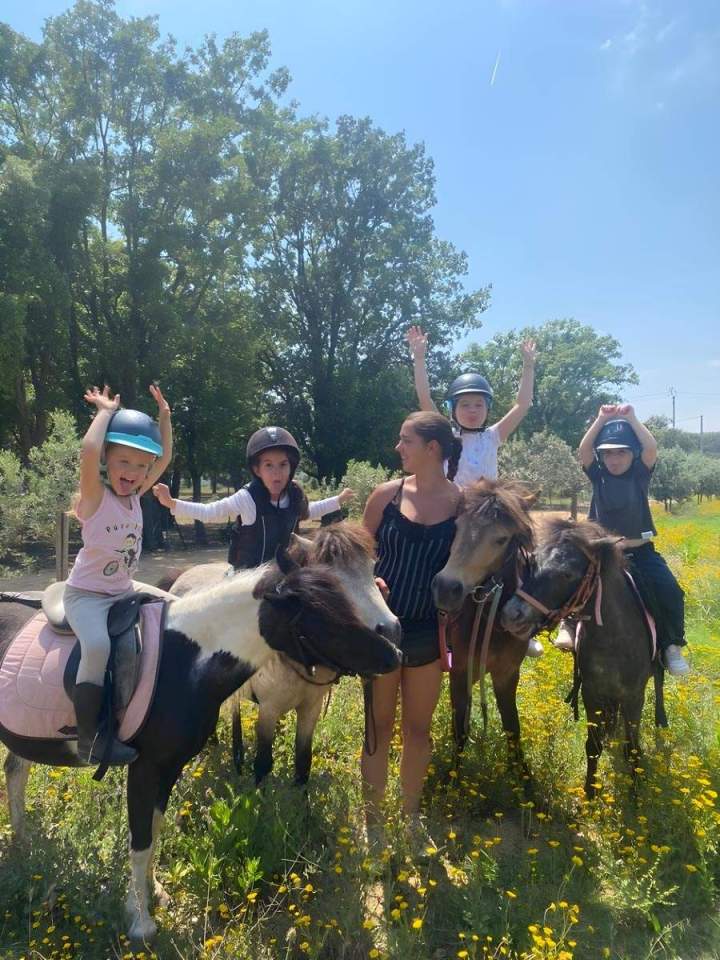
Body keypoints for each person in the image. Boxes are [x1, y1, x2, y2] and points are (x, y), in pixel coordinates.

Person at [407, 326, 543, 657]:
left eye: (479, 404)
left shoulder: (493, 436)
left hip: (489, 513)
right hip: (453, 510)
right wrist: (419, 357)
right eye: (465, 404)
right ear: (453, 408)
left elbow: (523, 405)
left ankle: (525, 626)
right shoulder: (447, 437)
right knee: (436, 561)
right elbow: (424, 400)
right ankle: (437, 627)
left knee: (519, 559)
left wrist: (528, 366)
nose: (473, 410)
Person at [361, 412, 461, 835]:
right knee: (377, 727)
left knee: (418, 731)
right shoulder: (385, 496)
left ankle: (411, 817)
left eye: (406, 441)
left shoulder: (463, 505)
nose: (398, 448)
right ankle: (374, 822)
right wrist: (370, 578)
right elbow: (359, 554)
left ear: (432, 448)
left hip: (427, 632)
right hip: (381, 630)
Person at [64, 384, 173, 766]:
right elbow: (89, 451)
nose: (133, 472)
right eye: (124, 462)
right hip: (87, 595)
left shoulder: (134, 496)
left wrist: (164, 418)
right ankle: (90, 741)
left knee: (173, 610)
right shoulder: (96, 498)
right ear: (109, 460)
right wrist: (105, 412)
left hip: (122, 589)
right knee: (97, 647)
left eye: (141, 466)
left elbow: (164, 457)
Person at [554, 404, 689, 677]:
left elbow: (651, 449)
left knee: (671, 591)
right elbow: (583, 450)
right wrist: (601, 419)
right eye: (608, 453)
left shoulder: (640, 475)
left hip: (640, 553)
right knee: (566, 578)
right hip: (601, 553)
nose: (614, 459)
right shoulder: (598, 475)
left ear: (632, 454)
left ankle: (672, 645)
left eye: (621, 452)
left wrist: (632, 418)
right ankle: (567, 625)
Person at [153, 426, 354, 568]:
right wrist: (172, 503)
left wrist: (339, 500)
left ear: (291, 467)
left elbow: (311, 510)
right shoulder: (247, 498)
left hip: (284, 572)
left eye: (283, 464)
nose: (277, 473)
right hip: (246, 576)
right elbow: (210, 512)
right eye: (269, 465)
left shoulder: (294, 495)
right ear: (257, 469)